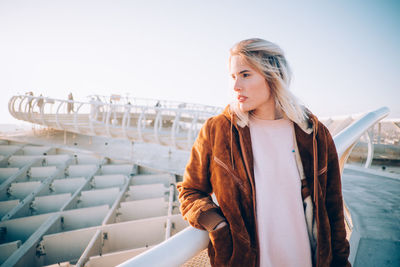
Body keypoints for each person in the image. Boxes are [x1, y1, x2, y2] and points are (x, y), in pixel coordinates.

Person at [177, 38, 351, 267]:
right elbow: (190, 191)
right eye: (232, 77)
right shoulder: (218, 131)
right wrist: (217, 226)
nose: (235, 86)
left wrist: (341, 263)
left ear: (273, 75)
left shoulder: (314, 134)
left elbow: (333, 208)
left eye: (245, 74)